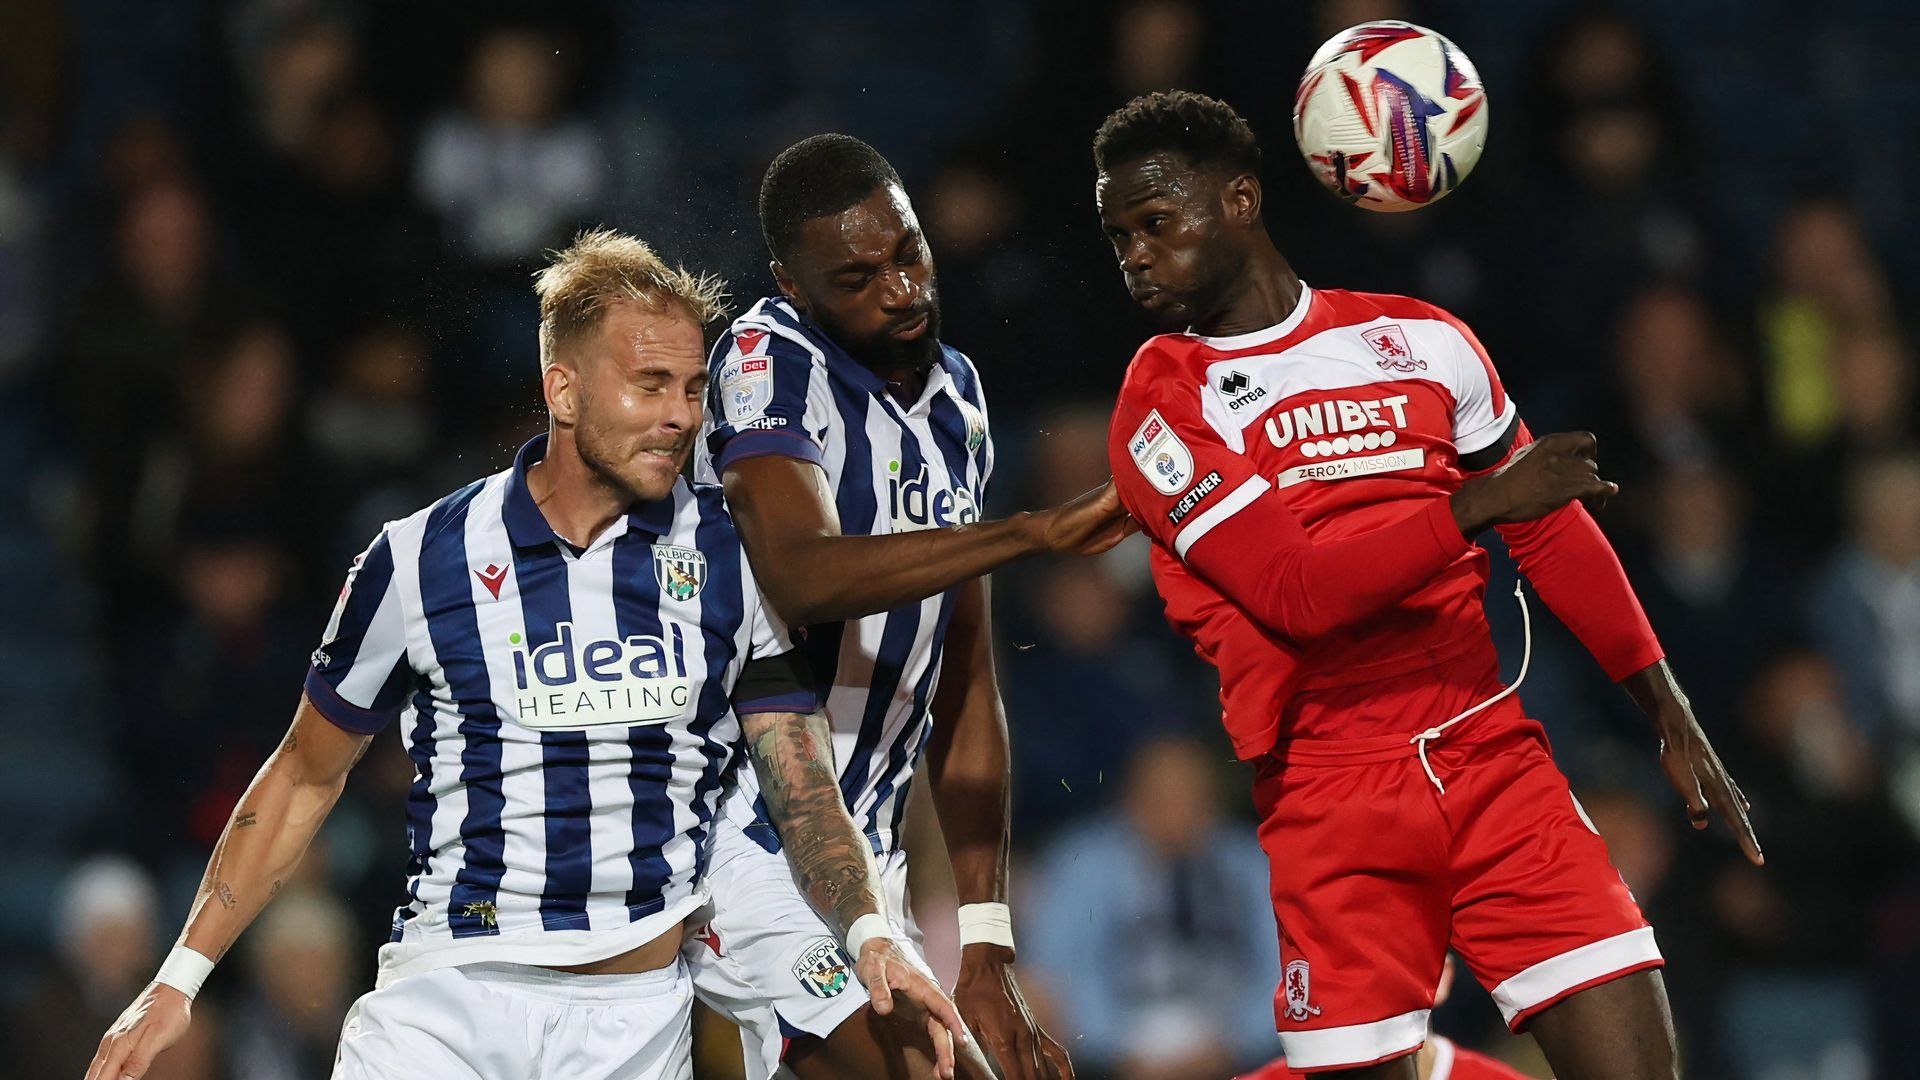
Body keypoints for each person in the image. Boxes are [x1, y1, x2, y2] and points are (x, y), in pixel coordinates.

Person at [86, 228, 965, 1080]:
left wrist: (866, 929)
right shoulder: (417, 558)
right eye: (650, 384)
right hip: (446, 1007)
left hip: (632, 1024)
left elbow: (801, 788)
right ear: (564, 390)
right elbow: (304, 775)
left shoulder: (735, 562)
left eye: (694, 389)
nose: (679, 416)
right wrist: (177, 979)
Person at [1091, 91, 1761, 1078]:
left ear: (1239, 199)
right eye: (1118, 239)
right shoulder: (1163, 398)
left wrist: (1665, 702)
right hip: (1330, 791)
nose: (1137, 256)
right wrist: (1473, 506)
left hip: (1493, 756)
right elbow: (1295, 592)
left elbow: (1553, 531)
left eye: (1156, 223)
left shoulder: (1421, 338)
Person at [686, 134, 1132, 1080]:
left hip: (869, 865)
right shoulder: (770, 362)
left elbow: (962, 673)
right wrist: (1030, 533)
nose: (901, 289)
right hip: (749, 841)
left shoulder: (957, 399)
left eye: (908, 253)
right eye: (856, 277)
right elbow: (802, 575)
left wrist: (986, 942)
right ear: (792, 283)